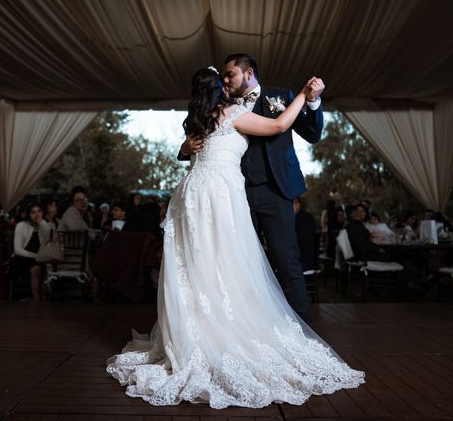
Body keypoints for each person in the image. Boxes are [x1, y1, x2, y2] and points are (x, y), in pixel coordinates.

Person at [107, 67, 363, 408]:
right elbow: (278, 125)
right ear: (219, 90)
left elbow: (198, 149)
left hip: (192, 194)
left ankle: (195, 332)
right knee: (224, 263)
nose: (229, 84)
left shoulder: (201, 117)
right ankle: (218, 333)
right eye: (224, 80)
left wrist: (185, 148)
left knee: (197, 266)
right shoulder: (232, 113)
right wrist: (302, 93)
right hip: (217, 195)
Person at [178, 54, 323, 323]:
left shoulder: (280, 96)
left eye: (229, 74)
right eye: (222, 76)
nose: (224, 80)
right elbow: (202, 144)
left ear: (248, 73)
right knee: (240, 264)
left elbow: (311, 134)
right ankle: (253, 325)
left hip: (274, 191)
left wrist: (310, 99)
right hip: (233, 196)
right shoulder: (221, 106)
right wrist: (184, 149)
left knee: (286, 261)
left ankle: (302, 328)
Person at [10, 202, 53, 301]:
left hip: (40, 258)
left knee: (45, 265)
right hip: (21, 258)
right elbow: (17, 250)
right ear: (28, 215)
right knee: (36, 267)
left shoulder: (46, 225)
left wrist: (42, 223)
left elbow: (51, 239)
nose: (37, 215)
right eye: (33, 212)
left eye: (39, 211)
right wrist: (36, 256)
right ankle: (36, 297)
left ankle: (44, 296)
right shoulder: (21, 225)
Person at [294, 197, 318, 272]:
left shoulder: (307, 218)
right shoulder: (293, 218)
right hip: (296, 257)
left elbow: (302, 239)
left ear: (297, 205)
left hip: (303, 260)